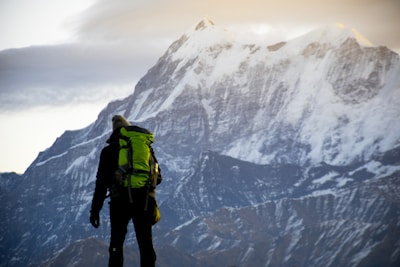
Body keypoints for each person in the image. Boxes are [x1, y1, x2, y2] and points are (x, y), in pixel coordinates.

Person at [90, 115, 162, 267]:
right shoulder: (145, 147)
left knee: (116, 244)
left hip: (120, 202)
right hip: (144, 201)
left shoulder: (108, 151)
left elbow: (101, 183)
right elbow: (158, 177)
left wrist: (95, 210)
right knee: (146, 245)